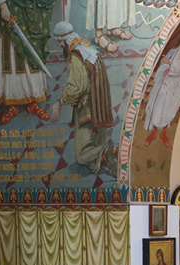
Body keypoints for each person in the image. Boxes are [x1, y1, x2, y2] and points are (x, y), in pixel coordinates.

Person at [49, 22, 117, 176]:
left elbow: (77, 88)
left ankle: (111, 152)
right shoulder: (85, 47)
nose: (59, 45)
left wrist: (60, 102)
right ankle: (107, 156)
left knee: (81, 154)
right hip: (100, 105)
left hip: (88, 107)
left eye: (60, 41)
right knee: (97, 143)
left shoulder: (76, 55)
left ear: (64, 39)